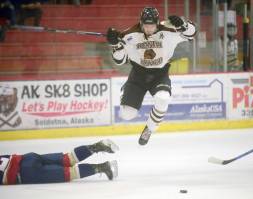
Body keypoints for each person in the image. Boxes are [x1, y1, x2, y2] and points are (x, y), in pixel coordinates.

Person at [106, 7, 196, 145]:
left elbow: (191, 34)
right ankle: (126, 90)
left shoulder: (168, 31)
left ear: (157, 23)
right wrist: (116, 44)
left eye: (151, 25)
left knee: (163, 98)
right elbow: (120, 61)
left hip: (160, 74)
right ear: (141, 23)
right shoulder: (129, 34)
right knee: (127, 115)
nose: (148, 29)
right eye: (145, 25)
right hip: (138, 75)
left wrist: (183, 25)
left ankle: (150, 129)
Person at [0, 139, 119, 184]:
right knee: (68, 158)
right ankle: (97, 146)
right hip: (26, 158)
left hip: (25, 173)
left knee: (69, 173)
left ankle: (104, 167)